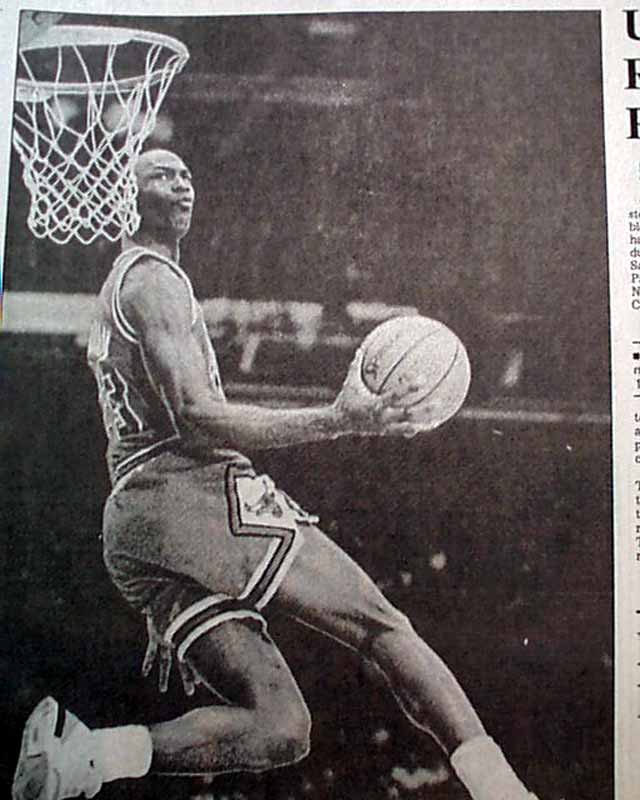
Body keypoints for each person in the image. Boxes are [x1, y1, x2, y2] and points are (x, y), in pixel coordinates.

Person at [13, 149, 537, 800]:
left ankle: (81, 759)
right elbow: (199, 416)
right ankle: (506, 791)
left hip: (134, 528)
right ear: (126, 195)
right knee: (381, 626)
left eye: (187, 172)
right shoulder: (151, 279)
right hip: (185, 491)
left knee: (281, 728)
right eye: (163, 174)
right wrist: (338, 418)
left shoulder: (135, 284)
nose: (184, 183)